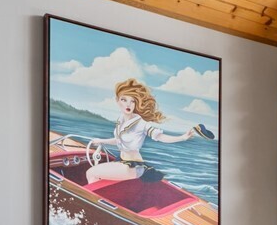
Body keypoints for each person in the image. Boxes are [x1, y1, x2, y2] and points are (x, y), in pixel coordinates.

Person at [82, 78, 213, 182]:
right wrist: (101, 141)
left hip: (131, 167)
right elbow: (119, 140)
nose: (128, 104)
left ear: (136, 103)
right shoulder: (121, 119)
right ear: (117, 101)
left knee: (91, 173)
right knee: (99, 174)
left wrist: (182, 137)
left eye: (132, 101)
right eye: (124, 100)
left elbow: (160, 137)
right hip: (122, 162)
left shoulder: (141, 123)